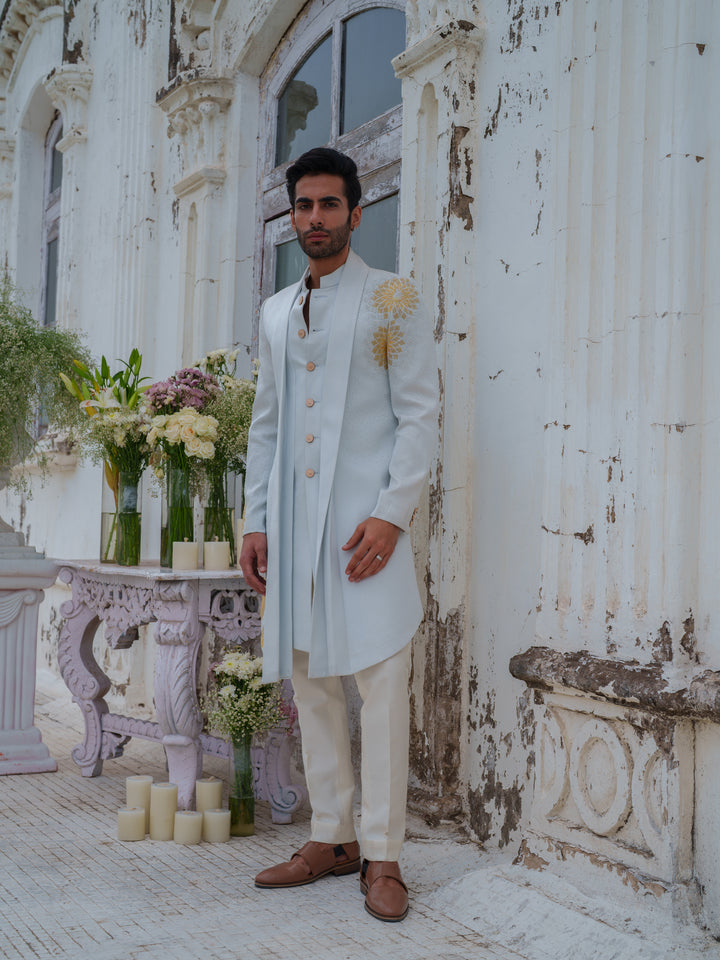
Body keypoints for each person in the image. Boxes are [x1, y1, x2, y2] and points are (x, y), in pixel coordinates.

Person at [239, 146, 437, 923]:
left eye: (328, 204)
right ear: (290, 217)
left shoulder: (393, 300)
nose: (314, 218)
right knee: (311, 682)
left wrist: (393, 513)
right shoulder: (275, 312)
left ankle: (384, 853)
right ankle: (333, 836)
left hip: (366, 531)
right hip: (292, 533)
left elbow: (419, 414)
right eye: (302, 206)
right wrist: (254, 520)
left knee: (382, 687)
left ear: (357, 212)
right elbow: (265, 427)